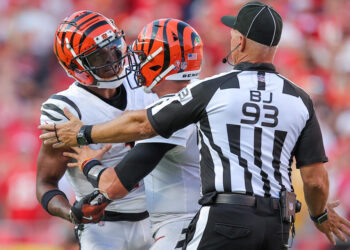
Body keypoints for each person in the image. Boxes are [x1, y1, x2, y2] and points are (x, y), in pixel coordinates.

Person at [39, 2, 350, 249]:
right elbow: (316, 180)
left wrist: (84, 138)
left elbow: (139, 133)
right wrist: (320, 213)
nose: (124, 59)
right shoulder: (299, 97)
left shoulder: (208, 91)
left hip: (195, 221)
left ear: (238, 40)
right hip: (277, 222)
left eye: (140, 53)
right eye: (100, 54)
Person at [63, 18, 203, 250]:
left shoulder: (174, 109)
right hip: (205, 218)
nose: (135, 64)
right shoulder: (204, 92)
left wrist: (88, 161)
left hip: (183, 223)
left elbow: (113, 186)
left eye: (144, 57)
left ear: (160, 63)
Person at [36, 10, 157, 250]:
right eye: (99, 57)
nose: (113, 58)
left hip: (161, 216)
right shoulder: (65, 109)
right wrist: (72, 213)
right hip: (104, 227)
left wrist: (86, 133)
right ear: (76, 67)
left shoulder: (143, 79)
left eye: (114, 47)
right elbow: (45, 183)